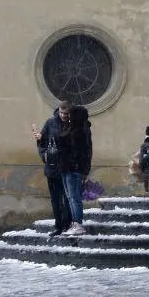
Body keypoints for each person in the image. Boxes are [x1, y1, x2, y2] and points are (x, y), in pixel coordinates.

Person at [32, 100, 92, 236]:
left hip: (68, 167)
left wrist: (85, 169)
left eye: (66, 113)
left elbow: (84, 150)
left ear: (70, 113)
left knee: (70, 197)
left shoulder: (76, 126)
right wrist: (45, 154)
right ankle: (59, 225)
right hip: (54, 167)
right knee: (56, 198)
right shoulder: (51, 123)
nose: (63, 115)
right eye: (61, 113)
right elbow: (43, 143)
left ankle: (70, 224)